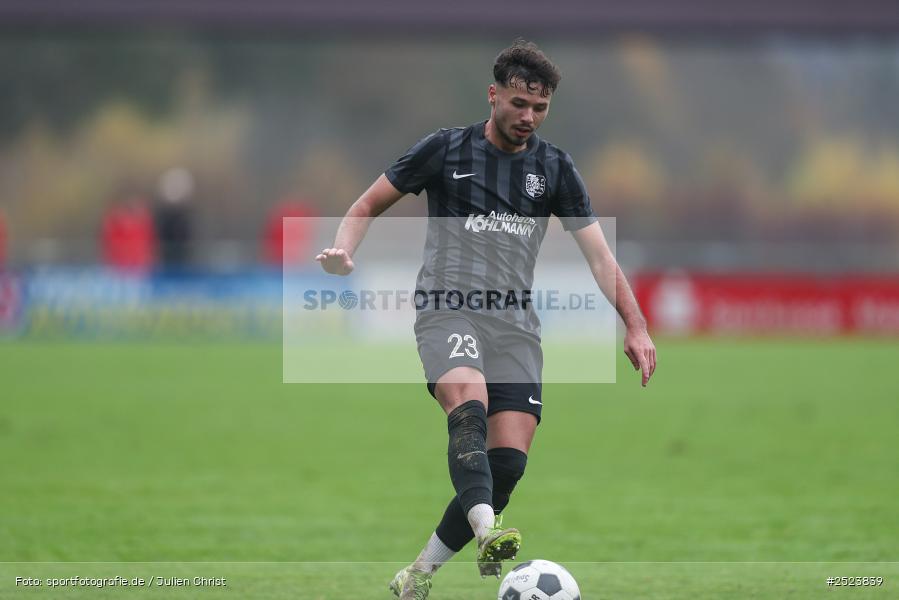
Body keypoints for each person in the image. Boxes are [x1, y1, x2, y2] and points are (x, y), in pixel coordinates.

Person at [316, 39, 657, 600]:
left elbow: (600, 257)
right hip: (446, 308)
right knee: (468, 404)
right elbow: (365, 206)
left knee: (505, 468)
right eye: (519, 103)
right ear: (493, 94)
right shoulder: (444, 151)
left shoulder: (555, 169)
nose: (528, 117)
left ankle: (418, 576)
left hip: (514, 324)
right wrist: (343, 250)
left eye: (540, 108)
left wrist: (636, 325)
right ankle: (486, 532)